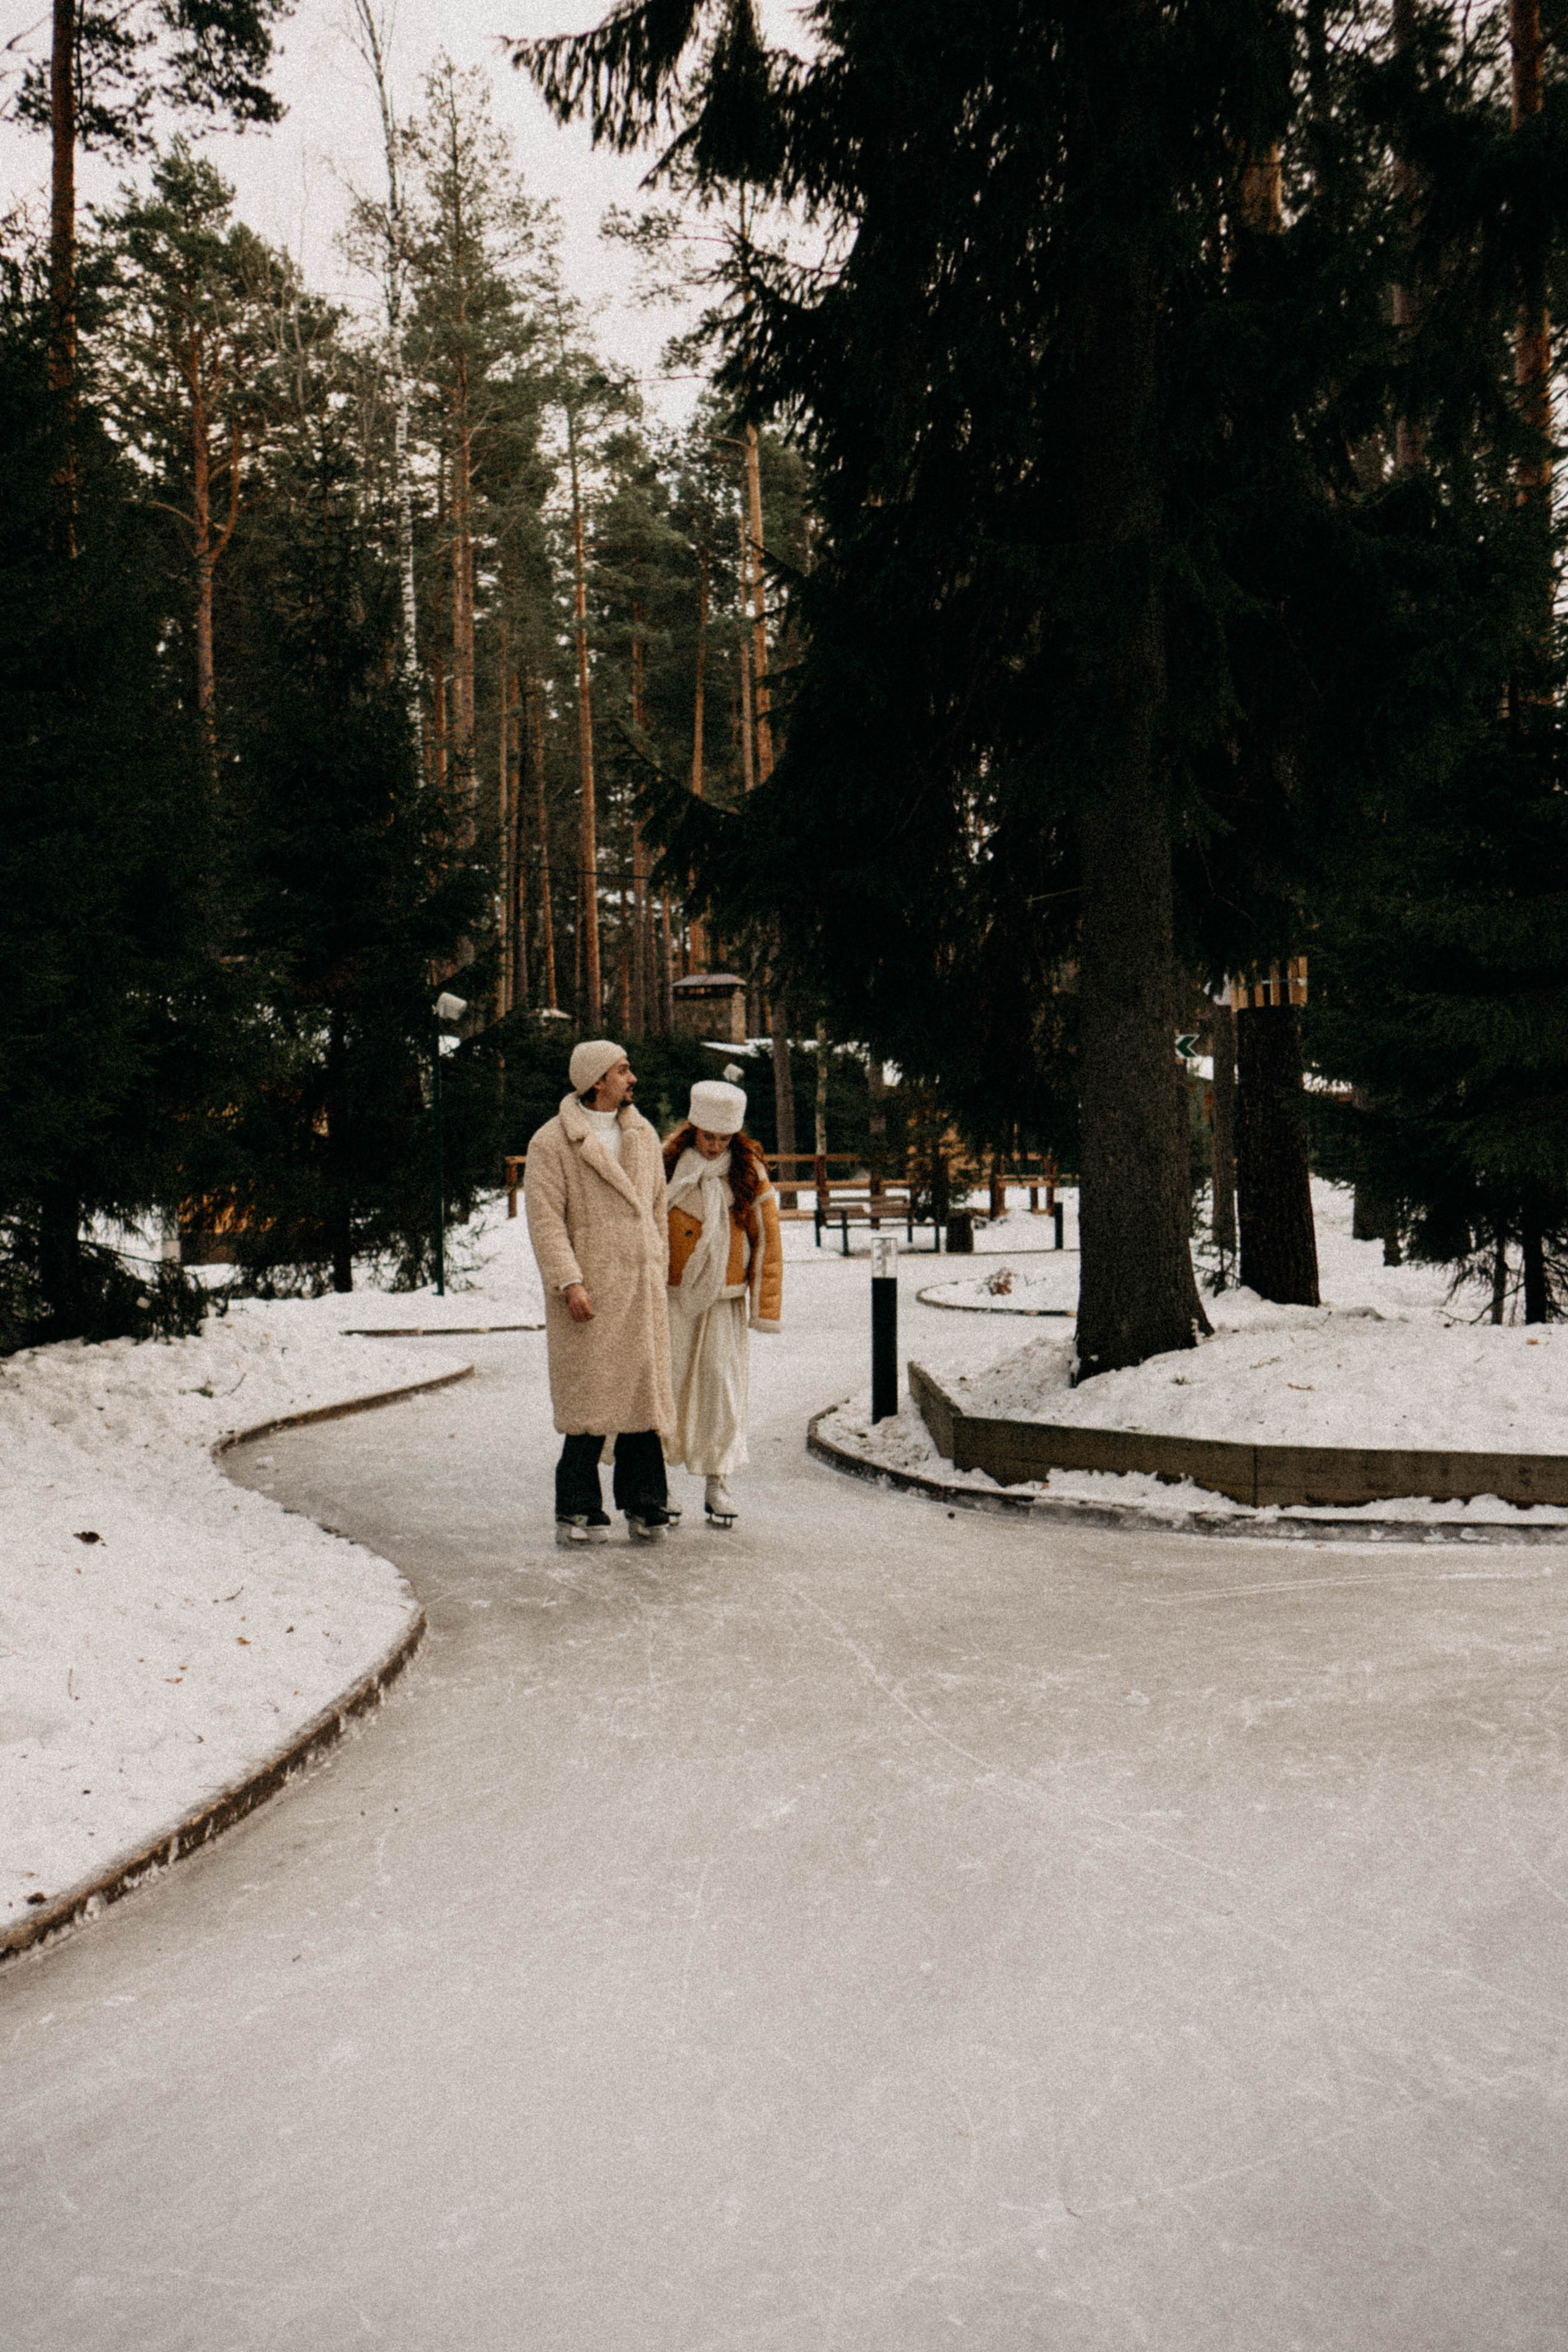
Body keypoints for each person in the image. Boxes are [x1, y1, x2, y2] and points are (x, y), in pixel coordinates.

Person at [524, 1039, 676, 1545]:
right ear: (596, 1080)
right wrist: (570, 1282)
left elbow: (657, 1208)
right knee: (589, 1397)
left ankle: (645, 1499)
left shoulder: (643, 1134)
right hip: (588, 1289)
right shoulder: (553, 1143)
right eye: (622, 1070)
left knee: (640, 1395)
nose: (632, 1078)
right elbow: (546, 1221)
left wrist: (657, 1264)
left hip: (639, 1284)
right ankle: (578, 1504)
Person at [663, 1073, 783, 1526]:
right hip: (672, 1294)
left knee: (720, 1388)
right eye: (708, 1136)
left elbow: (768, 1241)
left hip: (724, 1299)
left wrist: (765, 1307)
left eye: (723, 1138)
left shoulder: (749, 1172)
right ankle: (661, 1480)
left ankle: (718, 1480)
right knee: (669, 1384)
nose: (715, 1146)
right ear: (693, 1128)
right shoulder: (667, 1165)